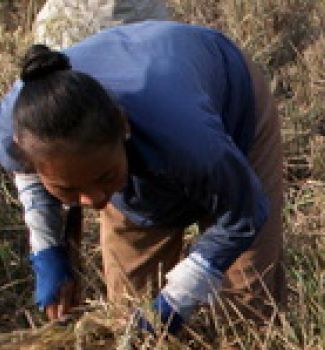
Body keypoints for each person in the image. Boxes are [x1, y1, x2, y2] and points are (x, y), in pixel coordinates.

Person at [0, 20, 286, 333]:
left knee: (244, 310)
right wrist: (48, 249)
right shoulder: (16, 126)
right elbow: (28, 169)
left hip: (228, 111)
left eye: (104, 177)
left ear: (124, 127)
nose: (94, 201)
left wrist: (180, 296)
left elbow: (244, 211)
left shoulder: (185, 133)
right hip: (141, 139)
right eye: (70, 189)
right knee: (129, 319)